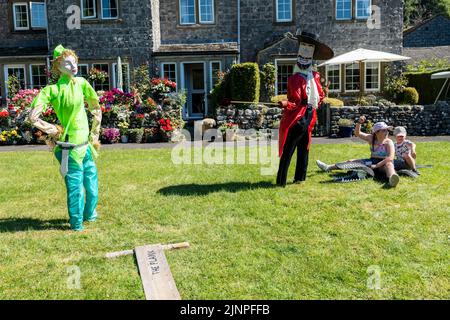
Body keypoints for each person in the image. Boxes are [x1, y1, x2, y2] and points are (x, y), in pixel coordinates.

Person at [29, 44, 102, 231]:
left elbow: (95, 107)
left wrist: (95, 133)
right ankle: (76, 223)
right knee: (76, 188)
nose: (73, 66)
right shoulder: (52, 91)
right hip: (69, 148)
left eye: (74, 62)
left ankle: (90, 214)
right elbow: (33, 116)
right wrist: (53, 129)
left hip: (86, 145)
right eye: (67, 63)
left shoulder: (82, 84)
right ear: (58, 67)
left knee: (92, 186)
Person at [276, 31, 334, 187]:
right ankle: (281, 181)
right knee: (289, 149)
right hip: (299, 117)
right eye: (304, 48)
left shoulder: (315, 76)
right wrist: (286, 104)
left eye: (309, 49)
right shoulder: (295, 78)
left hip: (310, 116)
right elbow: (294, 101)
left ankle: (300, 178)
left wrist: (321, 96)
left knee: (304, 147)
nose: (305, 56)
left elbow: (319, 96)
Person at [316, 116, 400, 187]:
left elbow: (390, 157)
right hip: (372, 160)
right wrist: (359, 123)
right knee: (352, 161)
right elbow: (357, 133)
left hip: (383, 163)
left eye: (386, 130)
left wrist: (376, 165)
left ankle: (392, 178)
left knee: (389, 165)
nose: (386, 132)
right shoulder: (371, 138)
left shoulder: (389, 142)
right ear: (376, 132)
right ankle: (328, 167)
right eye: (384, 130)